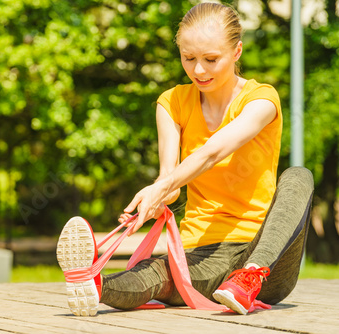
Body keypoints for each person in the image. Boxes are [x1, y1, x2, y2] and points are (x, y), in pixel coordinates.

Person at [56, 2, 313, 316]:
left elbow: (212, 152)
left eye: (211, 59)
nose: (199, 70)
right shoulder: (172, 102)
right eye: (188, 58)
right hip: (202, 251)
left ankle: (249, 276)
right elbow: (171, 179)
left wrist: (163, 185)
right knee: (158, 272)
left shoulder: (261, 100)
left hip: (266, 255)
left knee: (299, 176)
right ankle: (92, 283)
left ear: (237, 51)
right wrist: (155, 197)